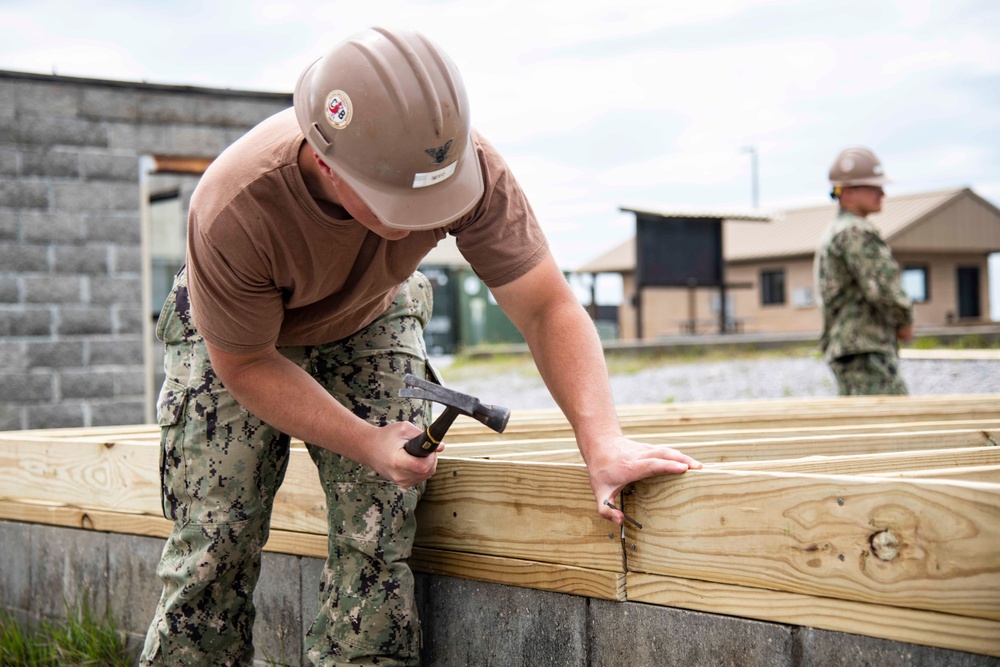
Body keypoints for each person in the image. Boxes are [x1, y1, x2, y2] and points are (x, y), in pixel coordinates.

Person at [140, 26, 701, 666]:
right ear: (326, 162)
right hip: (238, 334)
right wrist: (360, 438)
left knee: (378, 528)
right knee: (216, 538)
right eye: (402, 202)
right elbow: (244, 363)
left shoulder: (465, 165)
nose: (425, 213)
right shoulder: (235, 207)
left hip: (371, 309)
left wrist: (601, 441)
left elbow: (546, 307)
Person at [815, 146, 914, 396]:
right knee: (892, 422)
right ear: (847, 193)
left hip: (853, 346)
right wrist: (903, 319)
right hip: (864, 346)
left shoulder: (838, 230)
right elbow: (881, 287)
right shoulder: (855, 232)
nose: (882, 193)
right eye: (872, 187)